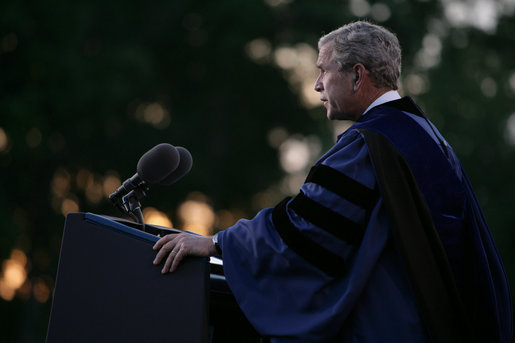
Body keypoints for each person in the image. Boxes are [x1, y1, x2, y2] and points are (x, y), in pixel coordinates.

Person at [152, 21, 513, 342]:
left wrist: (218, 243)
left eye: (324, 71)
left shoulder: (368, 144)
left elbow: (305, 230)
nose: (316, 85)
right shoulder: (426, 136)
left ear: (357, 75)